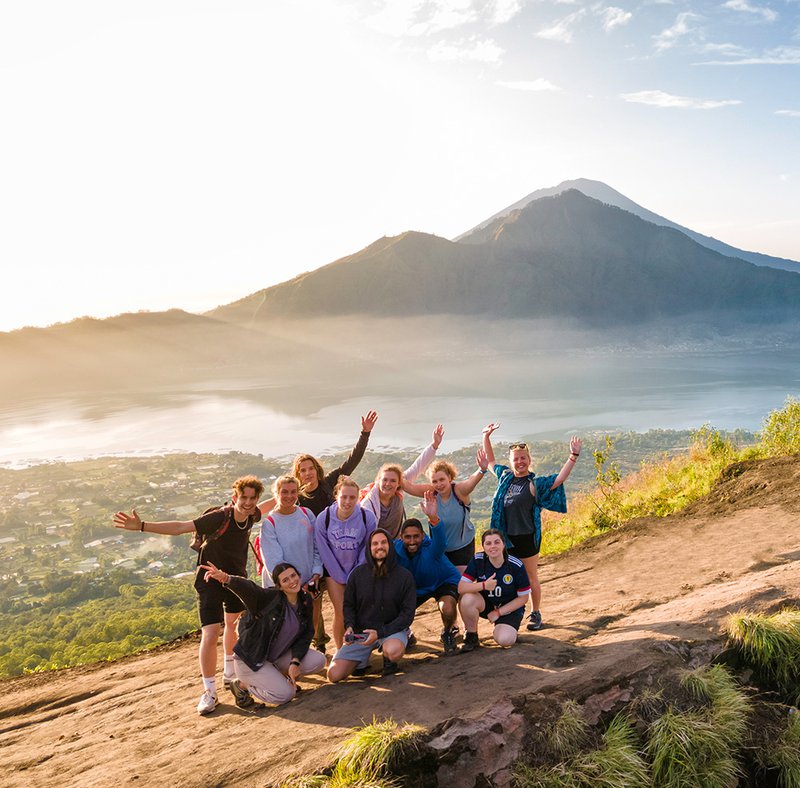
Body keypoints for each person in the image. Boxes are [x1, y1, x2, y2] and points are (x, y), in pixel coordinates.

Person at [113, 475, 264, 715]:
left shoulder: (253, 514)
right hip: (208, 580)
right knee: (211, 633)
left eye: (251, 498)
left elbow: (272, 504)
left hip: (234, 580)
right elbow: (181, 527)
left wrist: (296, 490)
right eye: (242, 497)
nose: (247, 502)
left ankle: (229, 674)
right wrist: (142, 526)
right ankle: (209, 691)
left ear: (256, 499)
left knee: (232, 626)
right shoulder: (219, 517)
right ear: (235, 497)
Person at [262, 409, 378, 652]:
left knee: (342, 605)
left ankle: (345, 645)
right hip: (315, 557)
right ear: (298, 475)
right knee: (313, 605)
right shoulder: (297, 500)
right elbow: (275, 505)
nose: (307, 472)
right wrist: (245, 510)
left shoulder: (329, 484)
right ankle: (318, 643)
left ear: (317, 468)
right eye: (302, 470)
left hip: (339, 554)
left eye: (310, 468)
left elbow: (352, 461)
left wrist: (365, 433)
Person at [482, 424, 582, 632]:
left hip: (526, 537)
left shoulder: (534, 483)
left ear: (529, 460)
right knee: (508, 576)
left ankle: (535, 612)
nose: (519, 462)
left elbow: (559, 479)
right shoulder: (504, 477)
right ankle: (511, 610)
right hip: (505, 539)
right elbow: (490, 461)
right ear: (510, 462)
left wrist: (573, 455)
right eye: (516, 459)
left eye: (523, 458)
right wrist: (486, 436)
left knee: (530, 576)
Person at [199, 560, 326, 708]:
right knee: (286, 694)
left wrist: (295, 661)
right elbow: (249, 589)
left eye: (293, 576)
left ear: (299, 575)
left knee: (319, 661)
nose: (292, 581)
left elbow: (306, 634)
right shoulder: (269, 598)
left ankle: (276, 676)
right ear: (279, 586)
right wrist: (225, 578)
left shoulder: (305, 600)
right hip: (252, 660)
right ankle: (243, 685)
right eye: (285, 580)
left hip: (275, 657)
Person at [327, 528, 416, 681]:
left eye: (383, 542)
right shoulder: (357, 575)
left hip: (391, 630)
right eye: (374, 544)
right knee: (334, 675)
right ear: (369, 548)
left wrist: (381, 633)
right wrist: (349, 626)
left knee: (393, 651)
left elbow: (407, 615)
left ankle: (389, 659)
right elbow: (348, 605)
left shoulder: (404, 576)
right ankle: (361, 661)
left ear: (390, 545)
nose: (379, 546)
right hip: (362, 633)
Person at [394, 491, 462, 654]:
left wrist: (433, 518)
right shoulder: (395, 550)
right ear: (401, 537)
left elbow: (441, 540)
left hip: (443, 581)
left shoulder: (431, 548)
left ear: (423, 536)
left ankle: (448, 631)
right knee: (393, 606)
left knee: (447, 607)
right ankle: (406, 634)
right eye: (408, 537)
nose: (412, 541)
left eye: (416, 536)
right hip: (417, 587)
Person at [401, 449, 490, 572]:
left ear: (449, 477)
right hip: (440, 548)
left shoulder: (459, 491)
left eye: (442, 479)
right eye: (434, 481)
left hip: (463, 548)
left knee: (461, 582)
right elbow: (408, 487)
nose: (439, 484)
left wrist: (482, 470)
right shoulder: (431, 492)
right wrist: (386, 479)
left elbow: (471, 482)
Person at [314, 476, 377, 648]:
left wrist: (355, 573)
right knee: (342, 612)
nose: (347, 502)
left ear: (358, 498)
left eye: (352, 498)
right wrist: (341, 576)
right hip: (334, 573)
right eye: (344, 497)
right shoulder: (324, 518)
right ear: (336, 495)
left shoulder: (367, 517)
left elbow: (367, 546)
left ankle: (358, 649)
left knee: (359, 610)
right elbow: (324, 550)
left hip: (359, 569)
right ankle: (341, 650)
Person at [360, 424, 444, 539]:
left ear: (399, 483)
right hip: (378, 547)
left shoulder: (399, 488)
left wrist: (434, 445)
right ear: (378, 481)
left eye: (393, 481)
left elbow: (418, 466)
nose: (388, 484)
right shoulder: (368, 504)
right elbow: (364, 534)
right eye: (385, 480)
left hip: (397, 542)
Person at [458, 528, 531, 651]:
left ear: (503, 544)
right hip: (486, 604)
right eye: (488, 543)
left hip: (509, 608)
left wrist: (498, 612)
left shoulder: (515, 565)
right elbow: (461, 588)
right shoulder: (478, 560)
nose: (493, 546)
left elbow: (523, 598)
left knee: (504, 640)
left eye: (497, 542)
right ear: (483, 547)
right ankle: (471, 636)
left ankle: (507, 629)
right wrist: (484, 585)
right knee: (467, 599)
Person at [259, 475, 321, 594]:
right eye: (284, 492)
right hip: (284, 588)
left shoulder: (306, 514)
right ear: (276, 493)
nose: (289, 496)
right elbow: (274, 562)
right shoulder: (270, 524)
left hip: (308, 583)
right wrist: (292, 584)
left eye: (293, 492)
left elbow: (317, 547)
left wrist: (316, 572)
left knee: (314, 613)